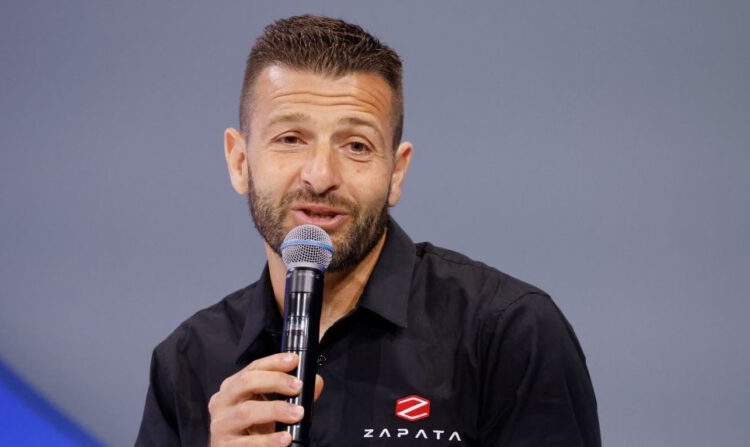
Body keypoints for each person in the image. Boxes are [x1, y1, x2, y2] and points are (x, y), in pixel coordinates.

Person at [136, 15, 600, 447]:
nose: (319, 175)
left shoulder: (508, 333)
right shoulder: (186, 363)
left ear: (396, 173)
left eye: (356, 145)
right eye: (290, 139)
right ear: (240, 162)